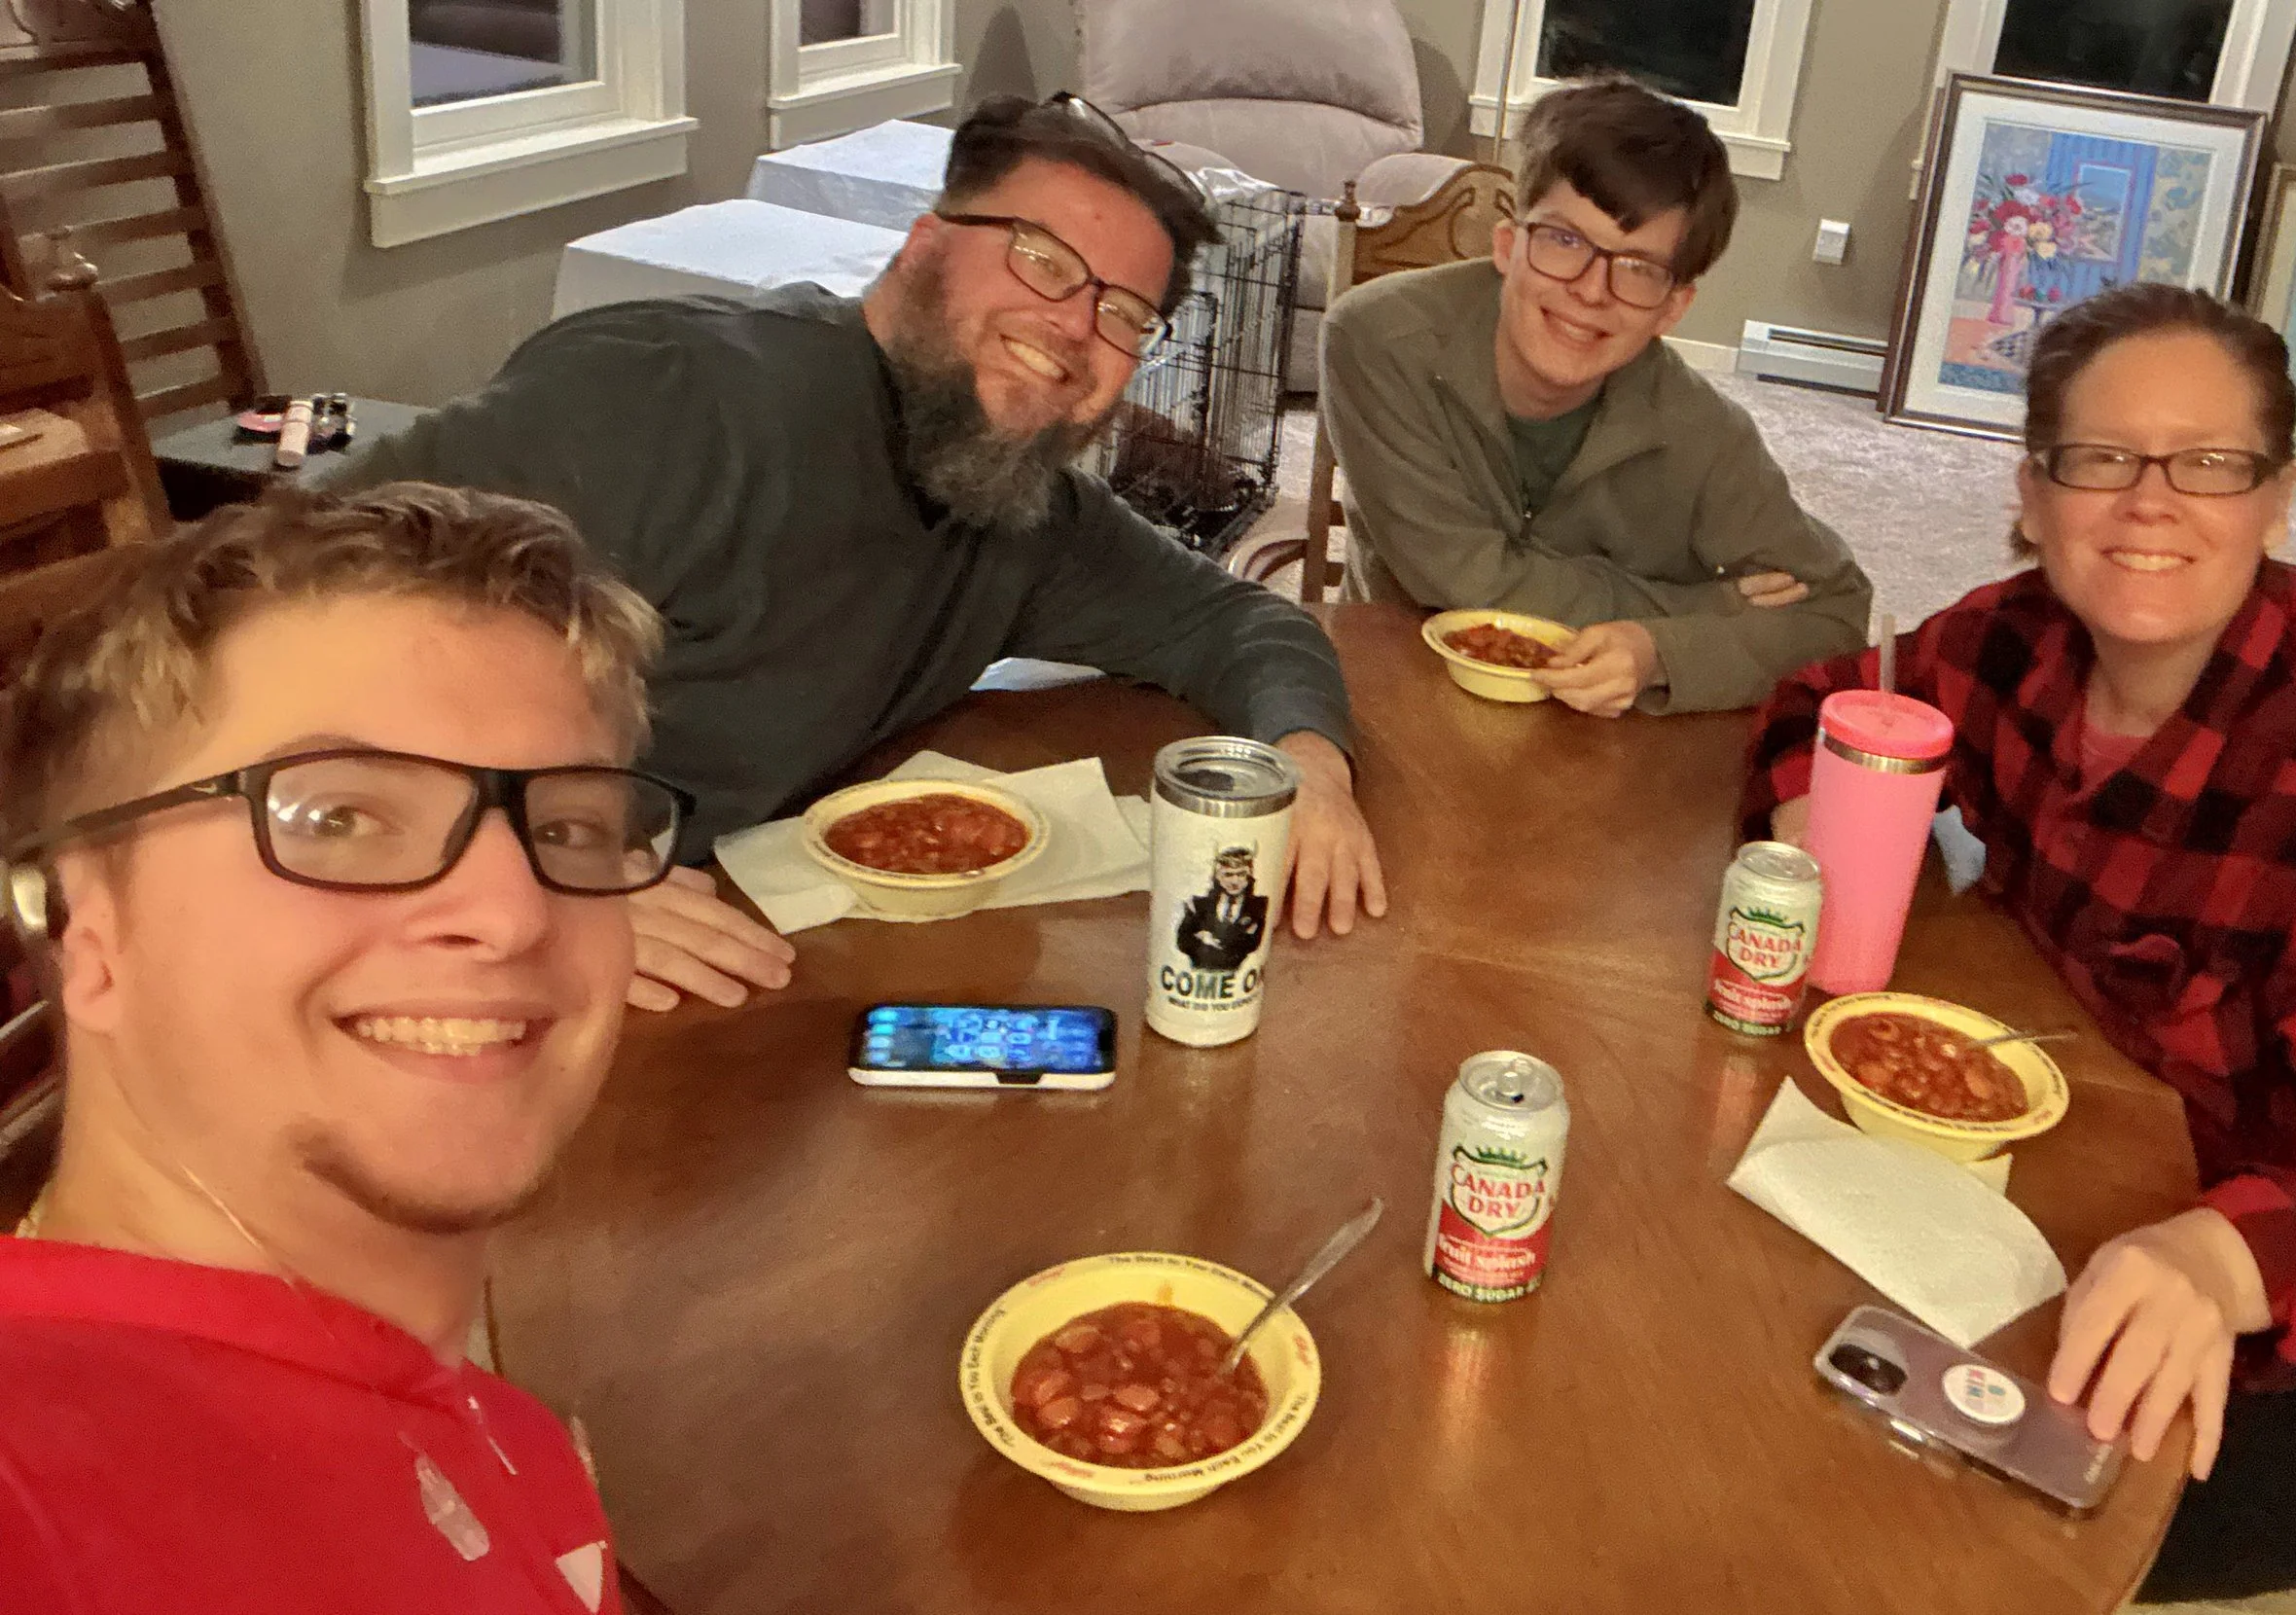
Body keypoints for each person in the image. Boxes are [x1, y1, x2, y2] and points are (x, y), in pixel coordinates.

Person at [337, 92, 1386, 1016]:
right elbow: (284, 596)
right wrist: (535, 873)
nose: (1073, 325)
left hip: (738, 993)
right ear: (923, 244)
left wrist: (1309, 767)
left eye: (1121, 313)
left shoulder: (1028, 512)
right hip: (445, 964)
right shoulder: (670, 398)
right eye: (1041, 258)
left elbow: (1236, 619)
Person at [1740, 283, 2296, 1602]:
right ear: (2035, 492)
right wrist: (1819, 825)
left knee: (1910, 1525)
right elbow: (1835, 699)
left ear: (2278, 500)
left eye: (2211, 465)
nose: (2150, 501)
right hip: (2121, 1164)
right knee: (1758, 1325)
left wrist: (2225, 1262)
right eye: (2102, 458)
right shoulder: (2018, 642)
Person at [0, 484, 681, 1613]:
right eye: (337, 818)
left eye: (566, 828)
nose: (512, 912)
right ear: (85, 933)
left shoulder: (492, 1416)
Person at [1319, 75, 1871, 718]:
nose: (1589, 289)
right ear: (1508, 243)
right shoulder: (1378, 339)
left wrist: (1658, 652)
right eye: (1564, 240)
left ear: (1675, 306)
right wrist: (1706, 611)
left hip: (1613, 734)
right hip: (1399, 692)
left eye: (1638, 268)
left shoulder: (1704, 435)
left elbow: (1836, 612)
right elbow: (1464, 583)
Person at [1176, 846, 1269, 972]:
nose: (1235, 881)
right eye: (1228, 874)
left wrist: (1205, 939)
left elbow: (1251, 944)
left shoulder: (1258, 907)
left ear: (1249, 877)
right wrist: (1203, 938)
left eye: (1241, 874)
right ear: (1218, 877)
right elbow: (1183, 941)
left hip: (1238, 977)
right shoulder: (1198, 906)